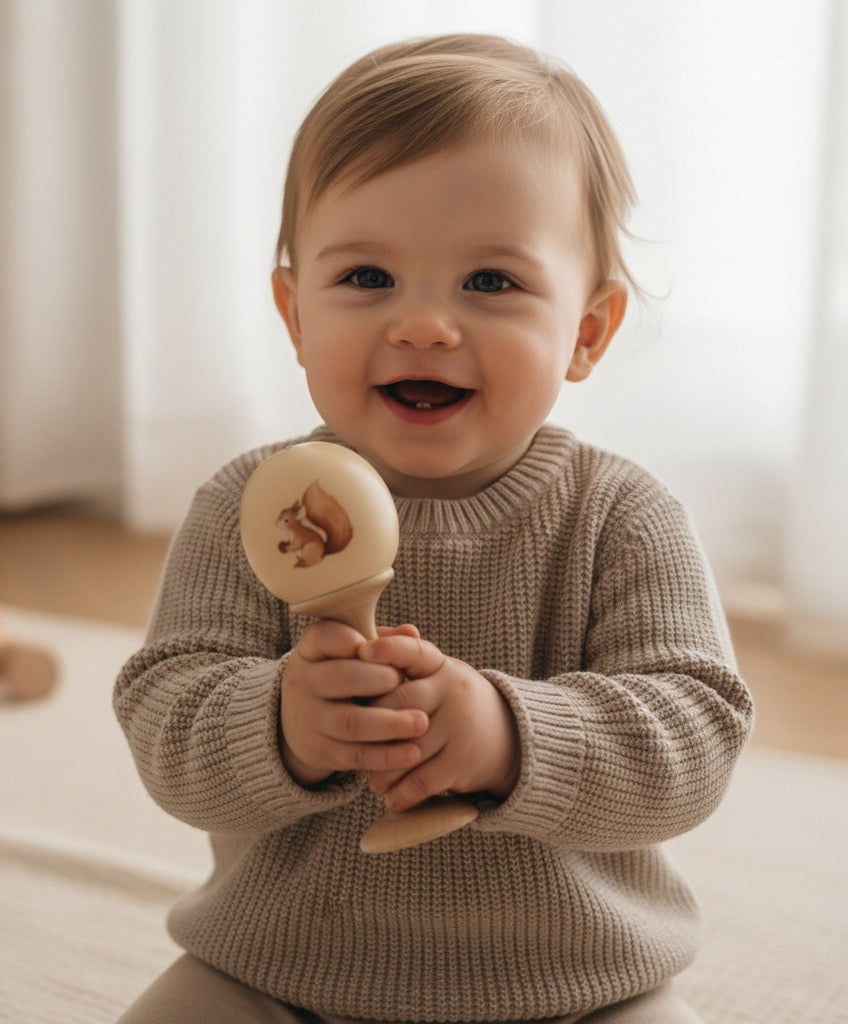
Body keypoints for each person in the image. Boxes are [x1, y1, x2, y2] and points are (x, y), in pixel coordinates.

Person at [113, 33, 754, 1024]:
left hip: (576, 984)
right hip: (280, 973)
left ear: (586, 332)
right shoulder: (253, 505)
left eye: (489, 282)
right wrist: (280, 722)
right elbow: (166, 722)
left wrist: (510, 736)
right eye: (366, 278)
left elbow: (694, 736)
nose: (421, 326)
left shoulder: (622, 516)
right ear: (292, 313)